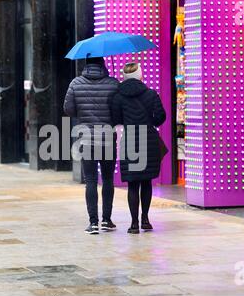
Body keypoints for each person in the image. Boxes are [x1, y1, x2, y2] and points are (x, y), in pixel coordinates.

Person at [64, 57, 119, 235]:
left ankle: (93, 223)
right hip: (107, 138)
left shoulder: (75, 83)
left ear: (86, 64)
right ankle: (107, 220)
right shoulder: (113, 83)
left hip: (86, 138)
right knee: (108, 179)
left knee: (90, 180)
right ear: (103, 64)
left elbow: (69, 110)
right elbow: (118, 112)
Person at [112, 63, 167, 234]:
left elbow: (116, 118)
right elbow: (160, 117)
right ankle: (145, 219)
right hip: (148, 140)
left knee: (133, 184)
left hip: (129, 140)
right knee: (146, 181)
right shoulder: (151, 94)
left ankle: (134, 223)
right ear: (140, 75)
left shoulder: (118, 96)